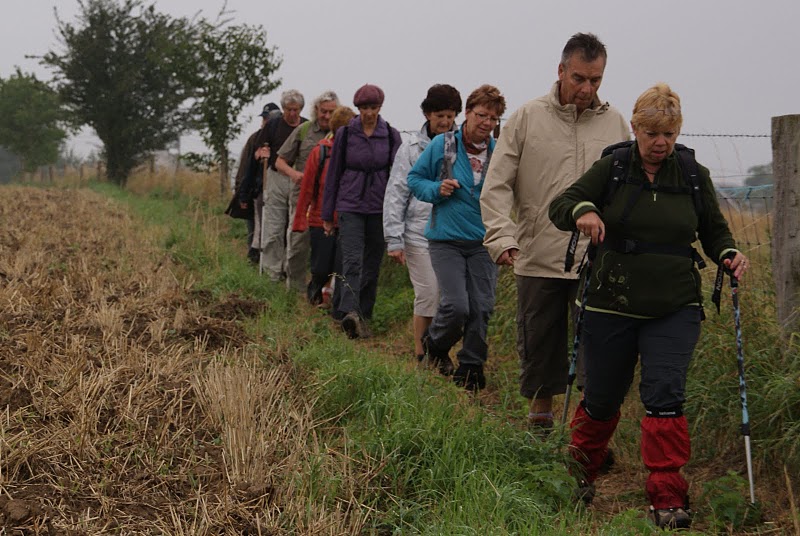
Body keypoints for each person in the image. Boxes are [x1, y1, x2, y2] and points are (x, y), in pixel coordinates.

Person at [548, 83, 749, 529]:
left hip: (674, 305)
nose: (661, 143)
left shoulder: (693, 173)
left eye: (670, 135)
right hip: (609, 303)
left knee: (665, 398)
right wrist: (585, 211)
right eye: (653, 133)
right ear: (636, 128)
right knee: (600, 400)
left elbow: (715, 232)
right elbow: (561, 205)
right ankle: (579, 475)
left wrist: (730, 254)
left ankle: (666, 495)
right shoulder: (614, 167)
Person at [480, 33, 629, 428]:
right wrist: (502, 238)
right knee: (539, 344)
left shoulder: (615, 123)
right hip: (536, 252)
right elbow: (495, 185)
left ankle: (587, 434)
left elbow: (626, 191)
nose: (586, 88)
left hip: (596, 259)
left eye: (595, 80)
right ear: (560, 71)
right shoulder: (527, 118)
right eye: (579, 78)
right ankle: (540, 426)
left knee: (597, 348)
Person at [407, 84, 507, 391]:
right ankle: (435, 345)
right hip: (446, 239)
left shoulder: (499, 153)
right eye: (481, 115)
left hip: (483, 242)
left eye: (493, 117)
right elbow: (415, 180)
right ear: (467, 113)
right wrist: (437, 190)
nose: (486, 123)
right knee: (457, 305)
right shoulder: (444, 145)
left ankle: (471, 366)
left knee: (483, 306)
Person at [383, 84, 462, 363]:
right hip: (417, 233)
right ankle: (421, 354)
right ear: (428, 114)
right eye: (440, 115)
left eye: (451, 116)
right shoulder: (411, 149)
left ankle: (439, 350)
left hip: (452, 232)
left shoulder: (462, 147)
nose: (445, 122)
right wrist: (394, 238)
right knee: (428, 292)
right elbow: (396, 193)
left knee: (450, 299)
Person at [321, 84, 402, 339]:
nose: (368, 113)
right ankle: (349, 313)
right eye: (364, 108)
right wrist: (327, 215)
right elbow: (333, 174)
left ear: (380, 108)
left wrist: (398, 215)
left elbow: (398, 178)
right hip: (350, 205)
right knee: (352, 261)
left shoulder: (390, 135)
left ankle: (364, 315)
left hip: (379, 207)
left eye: (373, 108)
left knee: (372, 264)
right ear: (358, 109)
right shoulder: (346, 134)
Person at [274, 91, 340, 292]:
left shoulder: (343, 133)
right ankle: (294, 291)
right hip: (303, 200)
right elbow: (279, 161)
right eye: (323, 111)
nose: (327, 116)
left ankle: (323, 293)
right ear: (316, 110)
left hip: (330, 203)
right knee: (297, 245)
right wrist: (294, 174)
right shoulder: (304, 131)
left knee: (328, 250)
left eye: (331, 112)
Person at [239, 89, 307, 281]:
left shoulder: (306, 126)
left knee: (294, 226)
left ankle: (290, 269)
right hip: (276, 177)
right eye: (288, 109)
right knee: (273, 226)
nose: (292, 113)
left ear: (300, 109)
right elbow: (258, 151)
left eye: (295, 109)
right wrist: (262, 153)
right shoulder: (273, 125)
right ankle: (271, 272)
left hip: (298, 178)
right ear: (283, 108)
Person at [292, 105, 356, 308]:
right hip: (320, 218)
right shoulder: (320, 152)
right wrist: (300, 219)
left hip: (348, 220)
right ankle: (315, 292)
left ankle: (334, 305)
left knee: (341, 266)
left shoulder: (358, 155)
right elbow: (307, 188)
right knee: (321, 267)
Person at [233, 102, 280, 264]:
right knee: (254, 228)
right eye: (265, 118)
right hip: (256, 191)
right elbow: (246, 167)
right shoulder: (256, 139)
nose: (265, 121)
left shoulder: (283, 139)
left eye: (268, 119)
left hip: (275, 192)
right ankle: (254, 261)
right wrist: (242, 192)